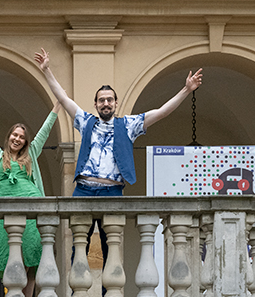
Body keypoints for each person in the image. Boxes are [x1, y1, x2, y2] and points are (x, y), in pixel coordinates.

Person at [34, 49, 202, 259]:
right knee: (79, 244)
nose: (105, 103)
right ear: (95, 104)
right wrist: (47, 70)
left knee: (111, 246)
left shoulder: (128, 125)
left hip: (112, 191)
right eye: (101, 100)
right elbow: (62, 96)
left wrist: (186, 90)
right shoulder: (86, 121)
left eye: (109, 100)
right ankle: (77, 281)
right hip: (84, 189)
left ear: (115, 103)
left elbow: (161, 112)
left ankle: (110, 283)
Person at [0, 81, 59, 297]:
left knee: (30, 256)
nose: (17, 139)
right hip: (3, 211)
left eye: (21, 136)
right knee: (8, 255)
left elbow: (44, 131)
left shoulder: (31, 154)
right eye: (14, 134)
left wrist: (58, 104)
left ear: (25, 141)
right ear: (9, 136)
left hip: (31, 209)